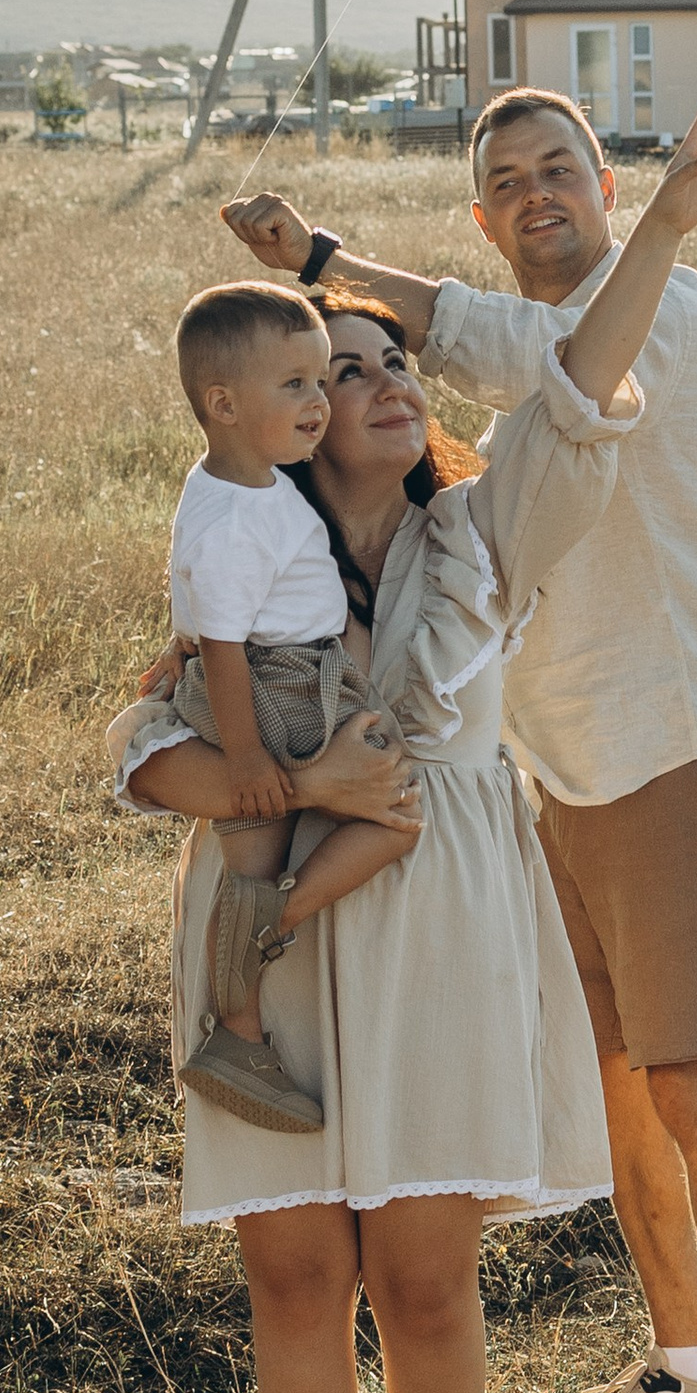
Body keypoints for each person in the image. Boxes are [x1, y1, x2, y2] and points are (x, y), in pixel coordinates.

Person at [116, 92, 697, 1393]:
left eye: (396, 360)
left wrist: (667, 222)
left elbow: (578, 388)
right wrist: (288, 784)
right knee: (292, 1273)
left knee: (423, 1275)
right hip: (270, 950)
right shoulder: (244, 565)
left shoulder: (482, 533)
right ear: (287, 413)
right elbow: (148, 751)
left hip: (441, 941)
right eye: (344, 371)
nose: (387, 380)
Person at [164, 280, 425, 1136]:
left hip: (282, 675)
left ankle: (237, 1028)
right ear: (224, 402)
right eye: (298, 385)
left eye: (322, 382)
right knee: (391, 814)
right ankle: (277, 922)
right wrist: (248, 759)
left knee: (248, 866)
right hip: (280, 691)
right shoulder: (240, 517)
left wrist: (181, 648)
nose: (316, 402)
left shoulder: (237, 484)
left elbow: (205, 610)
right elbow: (229, 648)